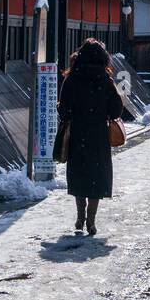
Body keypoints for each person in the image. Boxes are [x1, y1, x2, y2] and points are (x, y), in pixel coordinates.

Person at [56, 38, 125, 237]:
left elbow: (64, 111)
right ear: (103, 58)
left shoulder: (72, 79)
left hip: (78, 134)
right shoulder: (106, 80)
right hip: (99, 136)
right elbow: (116, 110)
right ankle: (91, 222)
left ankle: (80, 216)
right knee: (96, 178)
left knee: (79, 175)